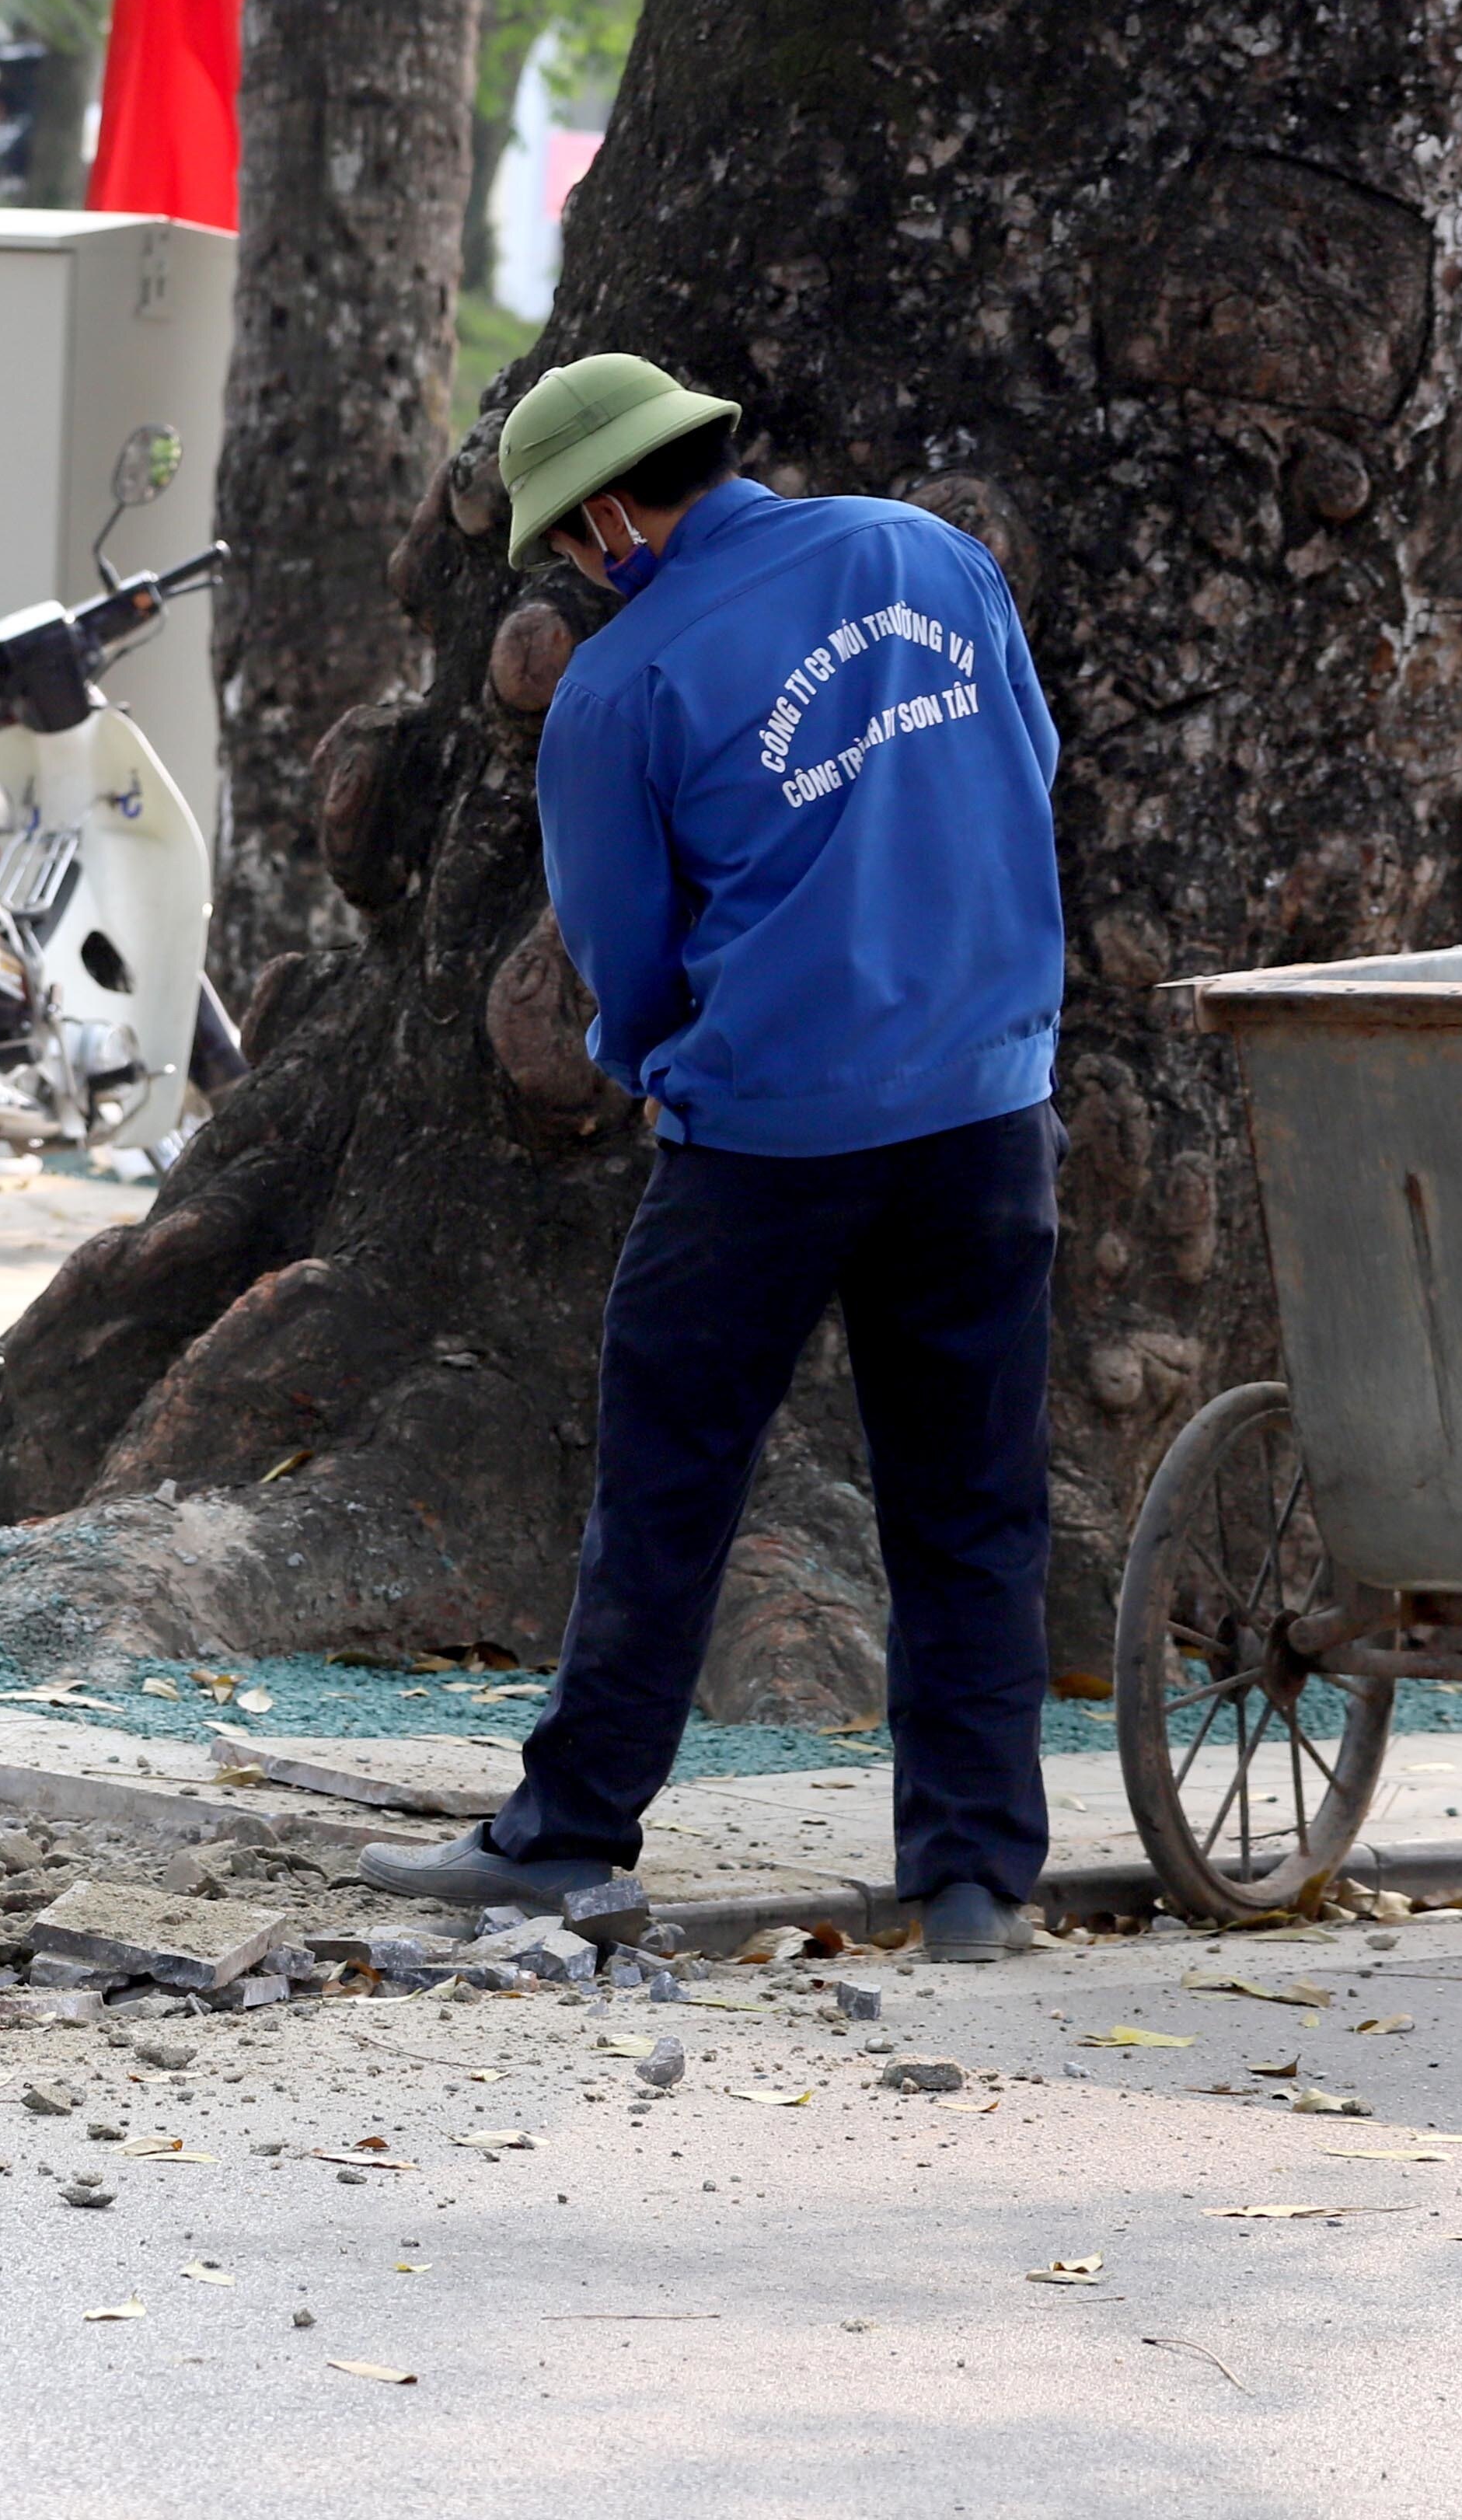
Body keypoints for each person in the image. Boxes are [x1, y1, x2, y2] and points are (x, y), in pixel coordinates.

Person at [360, 353, 1069, 1963]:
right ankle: (967, 1883)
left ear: (609, 513)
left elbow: (622, 953)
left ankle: (564, 1836)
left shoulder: (617, 691)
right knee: (968, 1501)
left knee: (668, 1488)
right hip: (984, 1110)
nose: (573, 569)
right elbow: (1022, 772)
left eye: (566, 541)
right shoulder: (925, 553)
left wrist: (655, 1062)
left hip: (762, 1139)